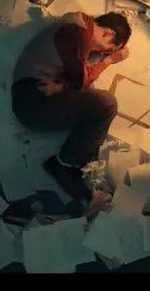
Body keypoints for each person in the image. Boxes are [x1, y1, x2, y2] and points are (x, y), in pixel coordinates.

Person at [11, 11, 132, 210]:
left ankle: (77, 162)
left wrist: (61, 86)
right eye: (109, 49)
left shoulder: (77, 22)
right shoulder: (77, 34)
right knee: (107, 104)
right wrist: (108, 61)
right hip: (32, 103)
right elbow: (80, 80)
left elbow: (75, 73)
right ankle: (66, 166)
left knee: (92, 104)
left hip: (32, 94)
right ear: (108, 34)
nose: (103, 53)